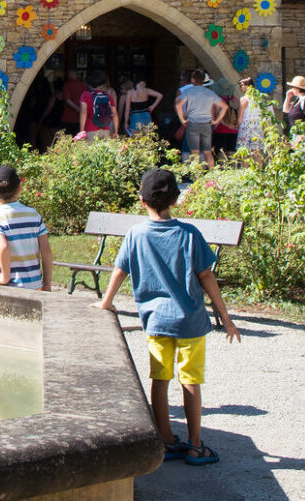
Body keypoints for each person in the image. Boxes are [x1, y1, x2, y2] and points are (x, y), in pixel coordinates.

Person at [92, 168, 240, 467]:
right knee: (191, 382)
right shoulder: (189, 234)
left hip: (157, 322)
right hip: (190, 322)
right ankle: (196, 446)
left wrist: (106, 302)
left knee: (159, 380)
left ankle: (166, 440)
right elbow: (207, 276)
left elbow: (120, 270)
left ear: (141, 200)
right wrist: (225, 316)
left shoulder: (136, 234)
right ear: (176, 199)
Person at [0, 165, 53, 290]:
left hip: (11, 286)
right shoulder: (34, 215)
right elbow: (46, 251)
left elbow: (3, 246)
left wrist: (4, 277)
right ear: (20, 188)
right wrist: (46, 284)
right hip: (35, 284)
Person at [175, 70, 226, 166]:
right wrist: (216, 121)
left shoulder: (189, 92)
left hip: (193, 123)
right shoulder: (209, 93)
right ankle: (211, 173)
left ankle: (195, 174)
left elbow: (178, 104)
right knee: (207, 151)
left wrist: (182, 120)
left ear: (193, 79)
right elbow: (224, 106)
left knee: (194, 151)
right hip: (206, 124)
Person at [78, 69, 118, 140]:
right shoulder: (107, 96)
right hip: (106, 129)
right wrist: (115, 131)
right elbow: (114, 115)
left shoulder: (85, 95)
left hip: (90, 129)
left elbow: (83, 113)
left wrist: (81, 130)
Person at [235, 77, 266, 161]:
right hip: (257, 126)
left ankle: (245, 169)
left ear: (247, 86)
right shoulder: (259, 98)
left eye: (241, 85)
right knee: (257, 151)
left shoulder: (244, 99)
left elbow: (240, 116)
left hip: (247, 126)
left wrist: (238, 125)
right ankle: (259, 169)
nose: (240, 88)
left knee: (244, 151)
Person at [58, 68, 87, 136]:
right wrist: (80, 110)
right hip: (80, 117)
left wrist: (77, 109)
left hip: (68, 117)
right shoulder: (83, 85)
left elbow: (67, 100)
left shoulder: (67, 84)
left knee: (67, 138)